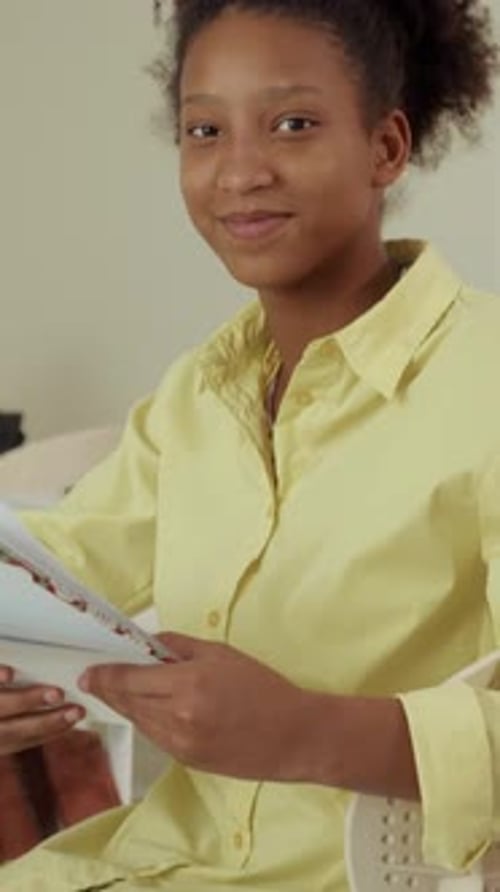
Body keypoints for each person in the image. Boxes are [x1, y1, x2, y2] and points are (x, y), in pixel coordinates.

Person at [1, 0, 499, 889]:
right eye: (204, 130)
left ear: (386, 147)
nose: (239, 171)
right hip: (152, 863)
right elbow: (53, 569)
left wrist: (307, 732)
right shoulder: (199, 393)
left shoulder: (486, 381)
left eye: (293, 124)